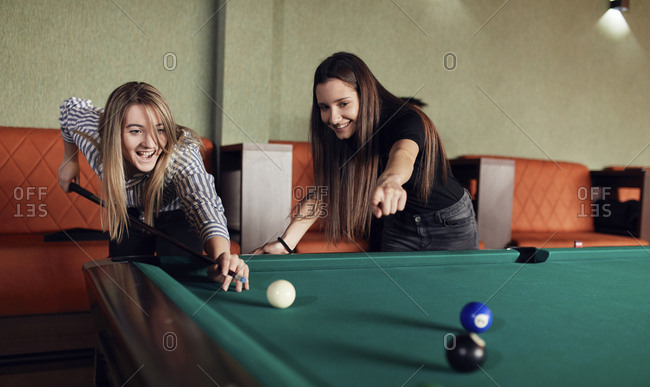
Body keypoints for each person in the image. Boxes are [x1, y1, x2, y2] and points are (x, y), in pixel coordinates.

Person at [254, 52, 478, 254]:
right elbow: (324, 192)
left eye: (343, 104)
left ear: (366, 96)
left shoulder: (405, 118)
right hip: (399, 225)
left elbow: (403, 154)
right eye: (324, 107)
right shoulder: (343, 136)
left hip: (449, 223)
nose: (333, 118)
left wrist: (392, 181)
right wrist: (285, 244)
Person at [58, 82, 248, 291]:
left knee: (179, 285)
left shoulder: (181, 155)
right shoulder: (95, 139)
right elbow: (69, 108)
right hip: (128, 213)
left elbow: (202, 202)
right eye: (136, 131)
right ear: (113, 132)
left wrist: (222, 255)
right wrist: (70, 161)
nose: (150, 143)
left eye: (160, 129)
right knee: (125, 284)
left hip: (178, 215)